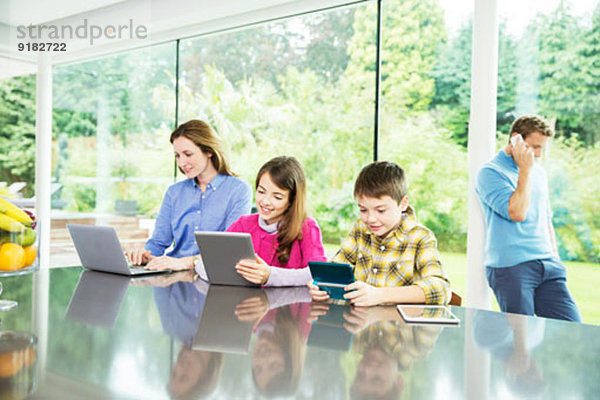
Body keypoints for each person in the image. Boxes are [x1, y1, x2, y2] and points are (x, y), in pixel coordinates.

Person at [476, 115, 581, 322]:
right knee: (521, 343)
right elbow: (517, 212)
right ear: (516, 139)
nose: (538, 155)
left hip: (548, 265)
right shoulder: (490, 172)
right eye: (534, 147)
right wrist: (525, 170)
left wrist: (555, 257)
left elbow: (545, 218)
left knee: (574, 331)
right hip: (512, 268)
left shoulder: (538, 173)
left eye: (542, 148)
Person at [308, 161, 451, 306]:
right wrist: (322, 286)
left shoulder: (420, 237)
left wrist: (380, 294)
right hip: (357, 323)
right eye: (363, 210)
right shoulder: (360, 229)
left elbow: (441, 289)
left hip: (398, 326)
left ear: (403, 203)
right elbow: (336, 271)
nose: (370, 219)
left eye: (381, 210)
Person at [126, 119, 252, 271]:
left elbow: (230, 247)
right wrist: (144, 254)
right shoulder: (174, 193)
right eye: (177, 156)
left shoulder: (238, 190)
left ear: (209, 151)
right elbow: (158, 243)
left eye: (188, 154)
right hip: (175, 276)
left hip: (215, 274)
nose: (181, 163)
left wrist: (187, 262)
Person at [225, 156, 327, 286]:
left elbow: (319, 273)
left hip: (290, 304)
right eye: (261, 191)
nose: (265, 202)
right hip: (247, 303)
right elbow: (207, 261)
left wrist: (270, 276)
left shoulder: (307, 227)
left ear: (292, 200)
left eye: (277, 197)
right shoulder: (243, 224)